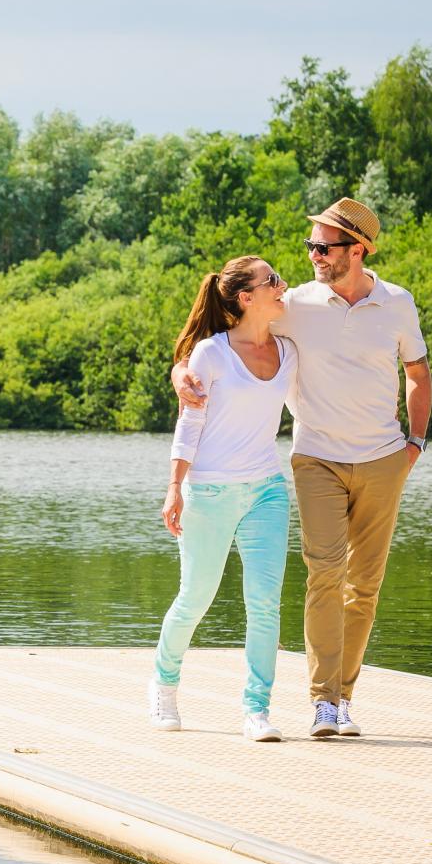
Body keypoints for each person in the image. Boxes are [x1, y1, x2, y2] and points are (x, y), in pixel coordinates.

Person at [172, 198, 430, 739]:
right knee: (324, 574)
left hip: (385, 458)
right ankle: (322, 704)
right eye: (310, 245)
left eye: (323, 246)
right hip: (316, 459)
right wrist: (180, 372)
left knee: (365, 586)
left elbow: (418, 373)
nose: (312, 254)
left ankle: (343, 695)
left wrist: (415, 445)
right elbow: (224, 329)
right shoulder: (294, 303)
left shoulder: (398, 303)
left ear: (356, 250)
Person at [150, 254, 297, 744]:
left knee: (265, 604)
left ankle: (257, 710)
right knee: (195, 598)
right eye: (271, 280)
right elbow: (189, 422)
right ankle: (164, 687)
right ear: (245, 297)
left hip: (267, 491)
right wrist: (174, 486)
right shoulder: (211, 354)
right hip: (208, 491)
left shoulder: (288, 350)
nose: (282, 285)